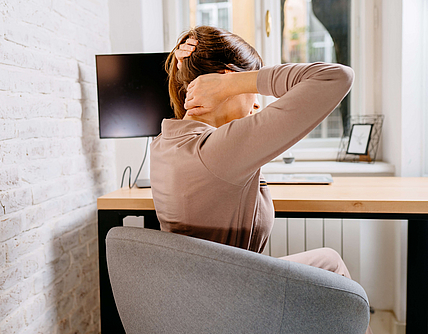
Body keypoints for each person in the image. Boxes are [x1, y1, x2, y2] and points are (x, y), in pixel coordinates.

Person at [150, 27, 371, 332]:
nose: (257, 104)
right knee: (330, 263)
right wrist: (235, 83)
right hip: (233, 305)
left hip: (194, 301)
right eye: (251, 89)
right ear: (224, 80)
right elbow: (336, 76)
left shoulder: (165, 141)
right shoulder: (219, 150)